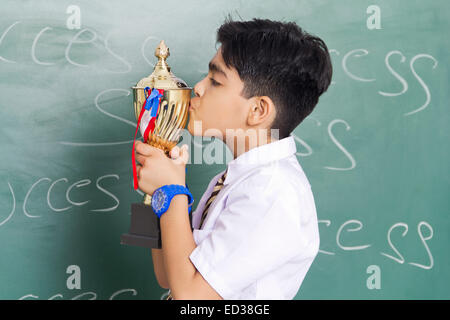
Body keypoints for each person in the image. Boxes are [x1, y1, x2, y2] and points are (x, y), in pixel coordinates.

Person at [134, 16, 332, 299]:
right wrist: (154, 196)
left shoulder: (271, 191)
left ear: (258, 111)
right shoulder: (236, 179)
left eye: (215, 80)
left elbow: (191, 297)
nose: (198, 88)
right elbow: (168, 276)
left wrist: (172, 192)